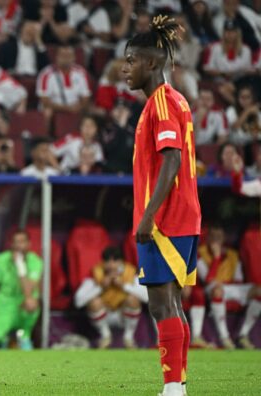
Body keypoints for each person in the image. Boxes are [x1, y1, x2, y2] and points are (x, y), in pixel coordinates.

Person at [123, 15, 201, 396]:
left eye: (130, 60)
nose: (125, 69)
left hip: (166, 221)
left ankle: (172, 387)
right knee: (171, 301)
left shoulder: (163, 103)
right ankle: (178, 384)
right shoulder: (172, 100)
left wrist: (148, 216)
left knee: (160, 303)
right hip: (181, 217)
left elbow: (171, 159)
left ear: (151, 63)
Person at [0, 231, 43, 350]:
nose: (18, 246)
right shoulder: (1, 260)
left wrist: (20, 266)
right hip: (3, 307)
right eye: (16, 242)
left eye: (22, 242)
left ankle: (23, 335)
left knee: (31, 303)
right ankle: (4, 339)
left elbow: (28, 293)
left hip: (22, 306)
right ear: (11, 245)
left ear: (28, 244)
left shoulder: (36, 262)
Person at [74, 246, 147, 349]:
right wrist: (100, 288)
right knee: (94, 302)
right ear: (103, 263)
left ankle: (128, 338)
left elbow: (147, 298)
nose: (112, 265)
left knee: (133, 299)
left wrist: (124, 286)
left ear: (122, 262)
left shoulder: (130, 273)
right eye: (108, 261)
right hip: (104, 316)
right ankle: (105, 337)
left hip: (123, 316)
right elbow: (78, 302)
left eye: (116, 261)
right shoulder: (96, 273)